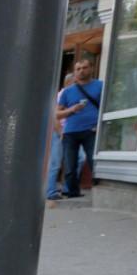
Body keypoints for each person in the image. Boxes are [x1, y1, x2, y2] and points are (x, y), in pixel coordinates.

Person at [56, 58, 102, 199]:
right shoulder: (67, 92)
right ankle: (73, 194)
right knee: (70, 166)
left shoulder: (100, 86)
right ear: (75, 72)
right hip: (71, 132)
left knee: (94, 162)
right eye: (78, 69)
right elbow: (57, 114)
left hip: (91, 131)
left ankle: (99, 193)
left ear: (91, 69)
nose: (81, 71)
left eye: (85, 67)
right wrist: (71, 110)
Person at [47, 73, 75, 202]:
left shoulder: (73, 95)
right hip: (58, 132)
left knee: (77, 159)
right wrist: (60, 132)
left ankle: (67, 188)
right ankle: (50, 191)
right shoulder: (61, 95)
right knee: (55, 162)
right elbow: (54, 116)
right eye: (75, 82)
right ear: (68, 83)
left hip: (71, 132)